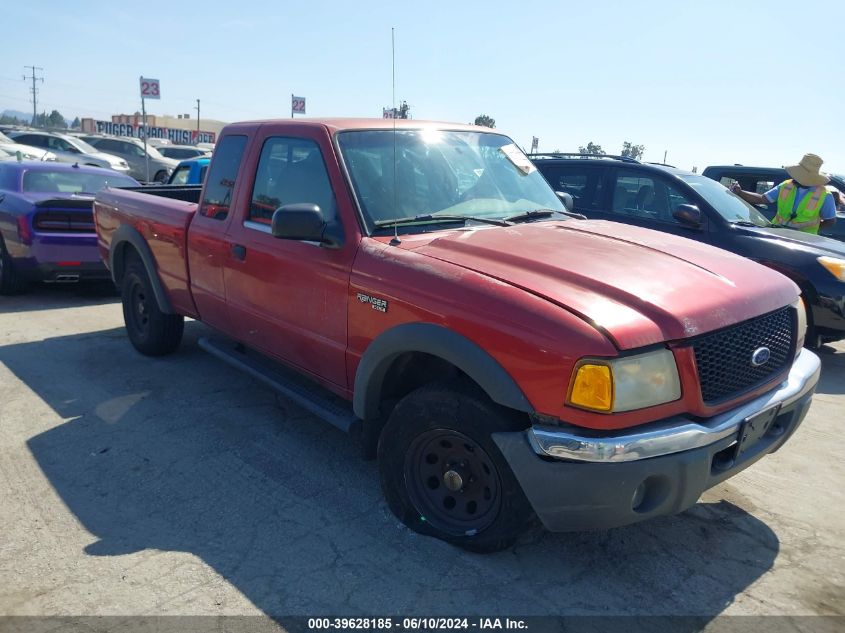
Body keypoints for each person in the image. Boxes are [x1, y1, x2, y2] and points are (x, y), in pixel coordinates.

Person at [730, 153, 836, 234]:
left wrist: (812, 229)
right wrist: (740, 192)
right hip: (778, 234)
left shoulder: (825, 195)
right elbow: (763, 199)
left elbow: (830, 221)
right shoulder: (786, 186)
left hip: (805, 241)